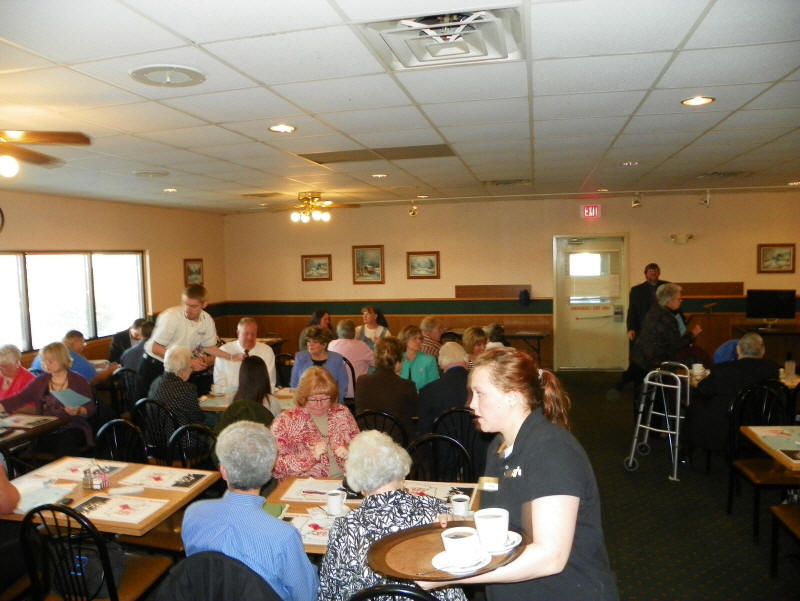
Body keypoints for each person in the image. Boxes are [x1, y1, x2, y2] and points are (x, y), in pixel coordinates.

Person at [421, 347, 618, 600]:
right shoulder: (498, 447)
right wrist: (464, 523)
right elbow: (507, 517)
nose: (470, 404)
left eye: (480, 394)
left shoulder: (552, 450)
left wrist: (448, 575)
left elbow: (551, 557)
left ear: (512, 396)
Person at [318, 430, 466, 601]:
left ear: (357, 483)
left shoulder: (344, 528)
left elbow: (329, 593)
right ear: (402, 473)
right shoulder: (436, 510)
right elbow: (464, 563)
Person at [182, 420, 318, 601]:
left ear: (223, 471)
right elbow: (306, 596)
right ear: (270, 472)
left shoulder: (193, 513)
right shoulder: (284, 535)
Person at [136, 285, 242, 400]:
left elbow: (209, 347)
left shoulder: (207, 320)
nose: (188, 309)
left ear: (204, 304)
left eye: (193, 306)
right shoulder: (171, 317)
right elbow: (155, 348)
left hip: (176, 368)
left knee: (174, 404)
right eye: (186, 304)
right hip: (154, 365)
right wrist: (188, 362)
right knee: (149, 406)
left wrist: (231, 356)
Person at [686, 333, 779, 455]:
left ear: (738, 349)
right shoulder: (772, 370)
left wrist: (695, 383)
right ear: (763, 351)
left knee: (694, 409)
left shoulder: (723, 370)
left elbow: (703, 391)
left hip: (725, 425)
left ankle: (686, 453)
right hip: (759, 420)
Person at [0, 342, 96, 455]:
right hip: (45, 429)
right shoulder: (40, 381)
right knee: (19, 450)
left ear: (62, 359)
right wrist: (2, 406)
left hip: (72, 427)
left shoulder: (78, 381)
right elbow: (20, 398)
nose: (46, 365)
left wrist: (79, 410)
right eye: (44, 361)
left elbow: (91, 408)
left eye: (50, 361)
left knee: (63, 444)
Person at [271, 367, 359, 480]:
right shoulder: (286, 421)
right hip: (305, 485)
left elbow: (361, 447)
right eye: (313, 399)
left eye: (325, 398)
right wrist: (310, 457)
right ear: (303, 397)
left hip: (346, 480)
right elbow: (274, 467)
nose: (319, 404)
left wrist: (351, 452)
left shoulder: (342, 412)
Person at [630, 283, 703, 382]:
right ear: (669, 300)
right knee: (696, 359)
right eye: (679, 299)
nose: (681, 301)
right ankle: (689, 388)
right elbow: (676, 345)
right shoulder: (667, 318)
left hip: (641, 357)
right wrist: (693, 334)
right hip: (655, 363)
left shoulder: (654, 309)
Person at [355, 337, 418, 440]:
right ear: (397, 362)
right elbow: (414, 414)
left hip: (367, 438)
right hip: (396, 439)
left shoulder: (362, 381)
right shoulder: (407, 385)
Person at [214, 355, 279, 435]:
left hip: (237, 441)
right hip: (262, 441)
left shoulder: (233, 399)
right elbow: (277, 429)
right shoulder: (272, 402)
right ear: (265, 376)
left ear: (242, 376)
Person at [417, 342, 470, 436]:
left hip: (443, 442)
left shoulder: (429, 391)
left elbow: (424, 430)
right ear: (466, 360)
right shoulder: (479, 385)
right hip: (478, 443)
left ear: (440, 363)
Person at [214, 317, 277, 395]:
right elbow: (219, 384)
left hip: (259, 397)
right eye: (246, 334)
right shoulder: (224, 351)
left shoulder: (266, 351)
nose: (250, 337)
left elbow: (270, 382)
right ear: (238, 333)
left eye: (253, 334)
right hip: (229, 398)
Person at [31, 330, 118, 385]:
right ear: (75, 342)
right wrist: (110, 370)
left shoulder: (47, 352)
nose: (83, 346)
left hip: (43, 390)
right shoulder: (74, 357)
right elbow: (94, 379)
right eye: (82, 343)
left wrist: (94, 366)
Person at [148, 346, 204, 427]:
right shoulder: (187, 389)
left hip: (155, 433)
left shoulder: (155, 382)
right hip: (181, 433)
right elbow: (198, 418)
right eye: (190, 367)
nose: (191, 370)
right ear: (181, 371)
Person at [289, 326, 348, 404]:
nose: (310, 345)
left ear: (324, 345)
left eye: (315, 342)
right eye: (309, 341)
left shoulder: (336, 359)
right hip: (305, 402)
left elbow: (343, 386)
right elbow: (294, 385)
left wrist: (334, 403)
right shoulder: (300, 357)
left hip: (330, 402)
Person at [328, 320, 374, 399]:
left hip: (335, 394)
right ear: (354, 332)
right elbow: (377, 362)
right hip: (357, 394)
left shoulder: (331, 345)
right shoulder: (361, 346)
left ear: (338, 332)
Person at [400, 325, 439, 391]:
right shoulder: (397, 359)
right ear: (405, 340)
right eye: (414, 338)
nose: (419, 341)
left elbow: (434, 386)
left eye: (420, 339)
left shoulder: (429, 360)